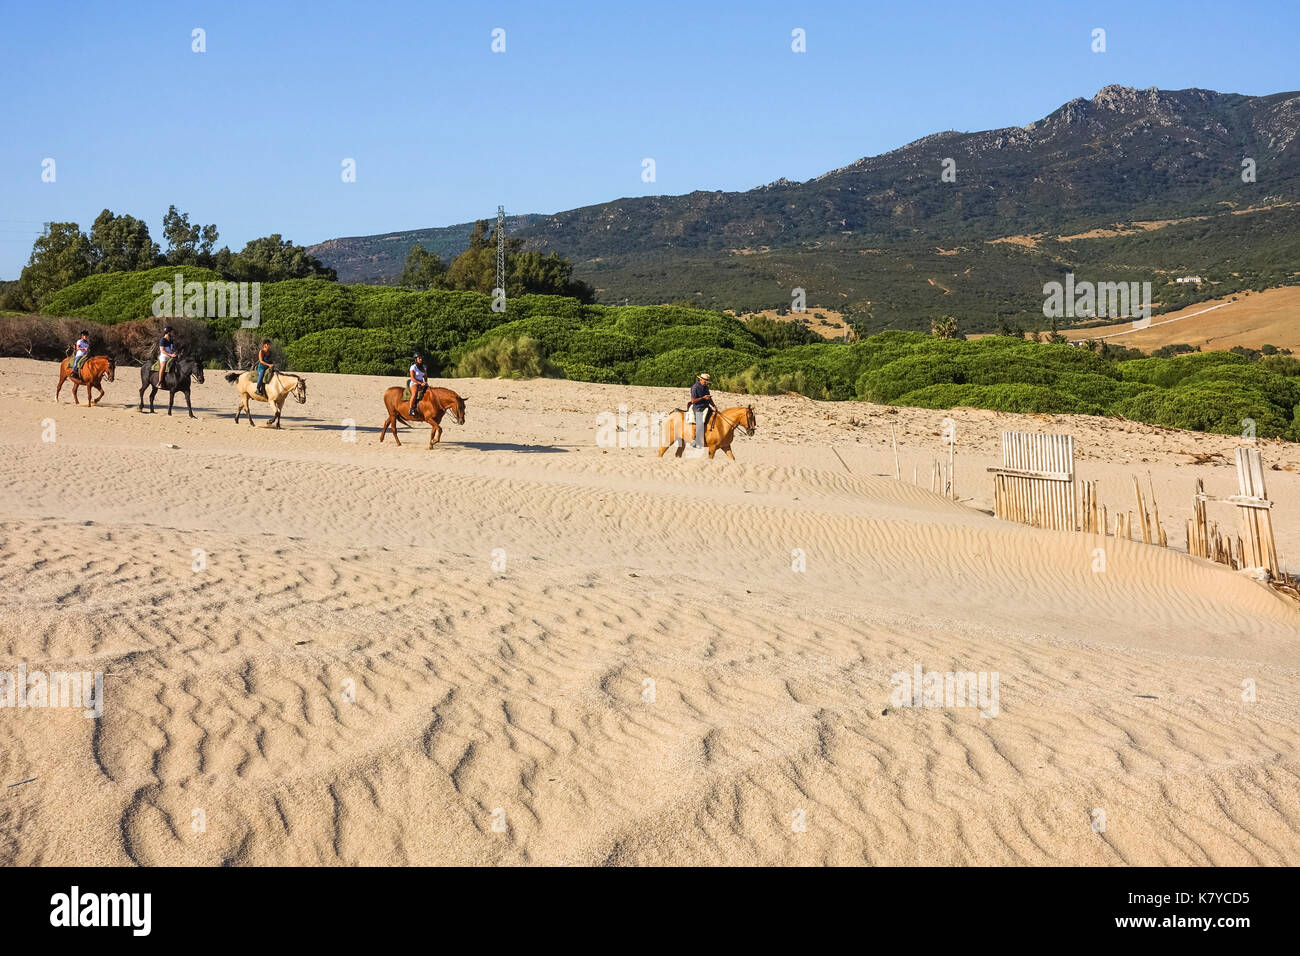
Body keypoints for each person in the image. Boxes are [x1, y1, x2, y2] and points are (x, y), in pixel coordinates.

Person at [688, 372, 715, 449]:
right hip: (698, 407)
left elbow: (709, 398)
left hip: (706, 406)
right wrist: (703, 398)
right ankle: (695, 441)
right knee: (699, 423)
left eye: (707, 382)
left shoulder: (706, 387)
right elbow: (693, 401)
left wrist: (714, 406)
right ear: (700, 379)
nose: (706, 383)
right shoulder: (695, 387)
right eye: (705, 381)